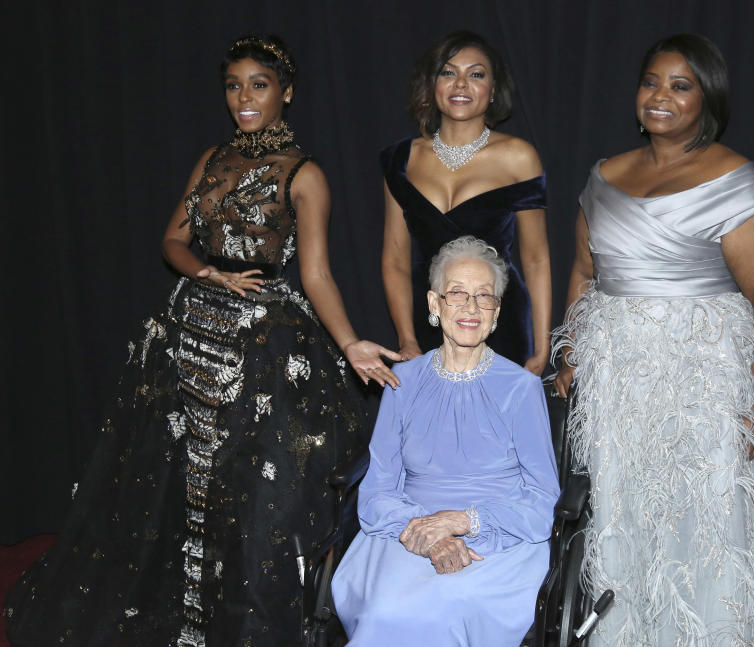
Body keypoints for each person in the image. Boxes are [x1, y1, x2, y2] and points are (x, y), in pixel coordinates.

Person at [4, 34, 400, 647]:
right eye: (234, 85)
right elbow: (171, 241)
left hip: (260, 346)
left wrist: (349, 344)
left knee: (252, 495)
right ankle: (175, 613)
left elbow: (317, 273)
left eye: (259, 85)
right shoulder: (212, 158)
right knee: (164, 483)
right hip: (183, 335)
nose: (244, 97)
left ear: (286, 93)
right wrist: (206, 271)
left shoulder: (304, 174)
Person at [552, 34, 754, 647]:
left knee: (706, 523)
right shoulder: (604, 176)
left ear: (707, 100)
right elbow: (582, 272)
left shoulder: (734, 179)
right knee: (627, 518)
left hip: (703, 377)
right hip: (622, 384)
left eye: (680, 86)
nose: (661, 96)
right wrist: (570, 355)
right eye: (651, 82)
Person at [332, 236, 560, 645]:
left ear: (497, 312)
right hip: (407, 532)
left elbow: (543, 502)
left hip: (498, 541)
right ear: (434, 305)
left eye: (483, 297)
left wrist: (462, 521)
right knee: (386, 609)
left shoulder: (521, 388)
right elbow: (377, 490)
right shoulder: (401, 384)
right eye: (457, 294)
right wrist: (429, 532)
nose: (471, 308)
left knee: (453, 601)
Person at [380, 30, 552, 374]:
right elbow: (395, 259)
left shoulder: (518, 157)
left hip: (499, 321)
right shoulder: (401, 159)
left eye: (476, 74)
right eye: (448, 72)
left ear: (492, 91)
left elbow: (535, 258)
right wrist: (406, 339)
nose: (461, 84)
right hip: (426, 321)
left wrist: (541, 348)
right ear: (432, 85)